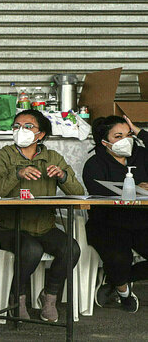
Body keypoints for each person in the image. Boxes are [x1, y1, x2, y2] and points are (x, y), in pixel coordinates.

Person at [0, 109, 84, 322]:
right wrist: (16, 174)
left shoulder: (53, 158)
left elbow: (79, 193)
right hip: (8, 228)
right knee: (31, 248)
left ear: (41, 135)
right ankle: (17, 299)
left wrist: (63, 176)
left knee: (71, 248)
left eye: (28, 126)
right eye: (16, 126)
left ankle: (49, 297)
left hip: (43, 226)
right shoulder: (1, 157)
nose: (21, 131)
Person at [82, 115, 148, 313]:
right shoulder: (95, 164)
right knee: (119, 258)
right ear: (105, 142)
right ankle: (124, 292)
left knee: (120, 267)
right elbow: (97, 192)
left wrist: (141, 132)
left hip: (142, 223)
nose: (125, 140)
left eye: (129, 135)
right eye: (118, 136)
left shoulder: (142, 156)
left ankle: (114, 279)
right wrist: (134, 188)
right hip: (107, 224)